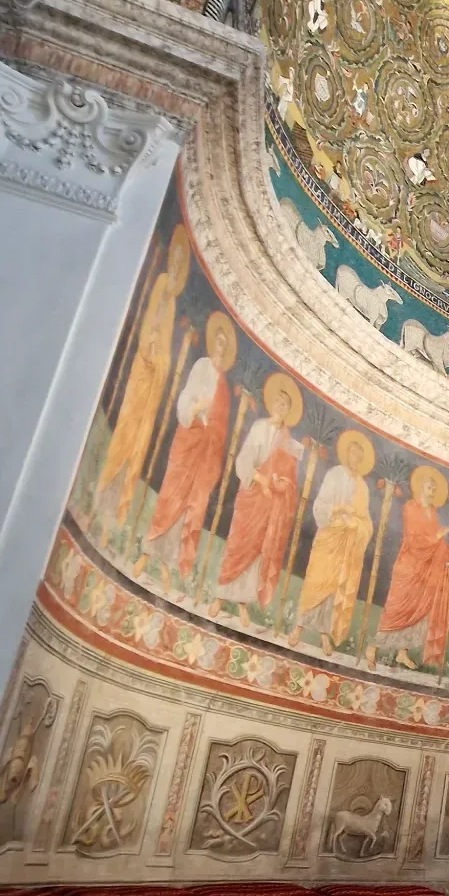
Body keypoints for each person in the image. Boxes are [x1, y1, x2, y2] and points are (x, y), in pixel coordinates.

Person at [95, 226, 188, 533]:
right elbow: (148, 328)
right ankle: (103, 490)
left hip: (153, 382)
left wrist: (163, 363)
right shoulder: (161, 285)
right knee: (126, 431)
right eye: (175, 260)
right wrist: (151, 352)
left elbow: (164, 347)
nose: (177, 267)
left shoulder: (171, 301)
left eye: (180, 264)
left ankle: (121, 506)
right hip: (141, 374)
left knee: (140, 441)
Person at [138, 310, 235, 589]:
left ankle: (168, 566)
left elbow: (222, 428)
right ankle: (147, 552)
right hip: (189, 439)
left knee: (193, 507)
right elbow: (187, 397)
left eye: (224, 345)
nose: (220, 348)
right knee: (172, 495)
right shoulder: (202, 366)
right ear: (212, 343)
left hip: (206, 453)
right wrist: (195, 410)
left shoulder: (224, 386)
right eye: (218, 342)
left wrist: (211, 430)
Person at [211, 371, 304, 613]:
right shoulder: (259, 427)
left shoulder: (289, 442)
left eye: (285, 404)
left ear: (288, 411)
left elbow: (290, 480)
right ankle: (221, 596)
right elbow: (244, 460)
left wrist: (281, 484)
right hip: (252, 494)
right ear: (271, 403)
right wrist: (261, 479)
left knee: (257, 551)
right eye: (278, 402)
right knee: (238, 544)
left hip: (270, 503)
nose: (280, 407)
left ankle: (243, 603)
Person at [291, 430, 375, 652]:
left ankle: (323, 634)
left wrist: (357, 526)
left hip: (347, 544)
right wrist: (339, 510)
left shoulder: (363, 487)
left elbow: (366, 521)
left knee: (334, 590)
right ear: (346, 454)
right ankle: (299, 627)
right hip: (329, 536)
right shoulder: (334, 475)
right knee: (316, 581)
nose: (355, 459)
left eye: (359, 456)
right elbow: (320, 506)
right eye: (353, 454)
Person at [374, 466, 449, 670]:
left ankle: (402, 653)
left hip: (425, 569)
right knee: (396, 609)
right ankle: (372, 648)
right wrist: (437, 536)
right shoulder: (411, 507)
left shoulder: (432, 512)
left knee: (417, 611)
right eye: (429, 487)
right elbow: (413, 538)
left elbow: (437, 544)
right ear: (420, 488)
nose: (432, 492)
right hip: (410, 564)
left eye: (434, 489)